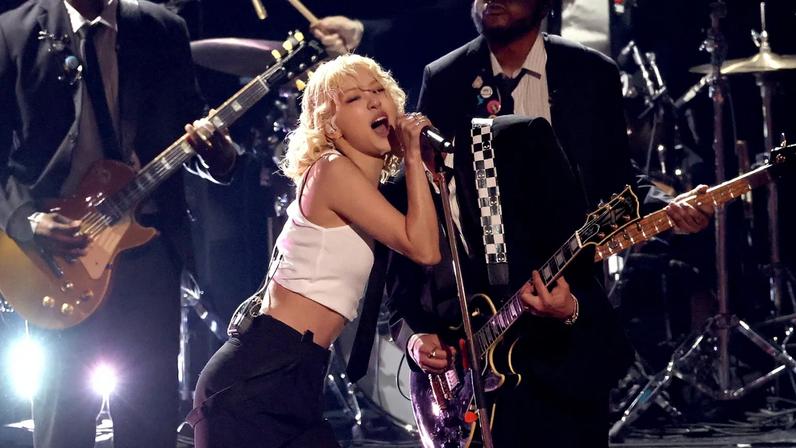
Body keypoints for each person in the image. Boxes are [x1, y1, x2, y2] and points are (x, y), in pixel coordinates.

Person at [381, 0, 714, 446]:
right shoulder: (445, 75)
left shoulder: (589, 70)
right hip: (483, 322)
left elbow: (618, 178)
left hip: (568, 300)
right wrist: (413, 329)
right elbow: (425, 194)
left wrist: (667, 211)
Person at [0, 0, 237, 446]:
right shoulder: (12, 34)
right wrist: (27, 220)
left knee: (148, 419)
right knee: (62, 423)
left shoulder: (161, 28)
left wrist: (220, 156)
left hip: (145, 248)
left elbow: (191, 125)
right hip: (55, 255)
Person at [189, 53, 441, 448]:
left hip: (298, 377)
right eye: (355, 98)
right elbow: (423, 248)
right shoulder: (330, 170)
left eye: (379, 91)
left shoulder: (367, 198)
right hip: (257, 377)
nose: (375, 102)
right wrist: (411, 156)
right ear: (331, 126)